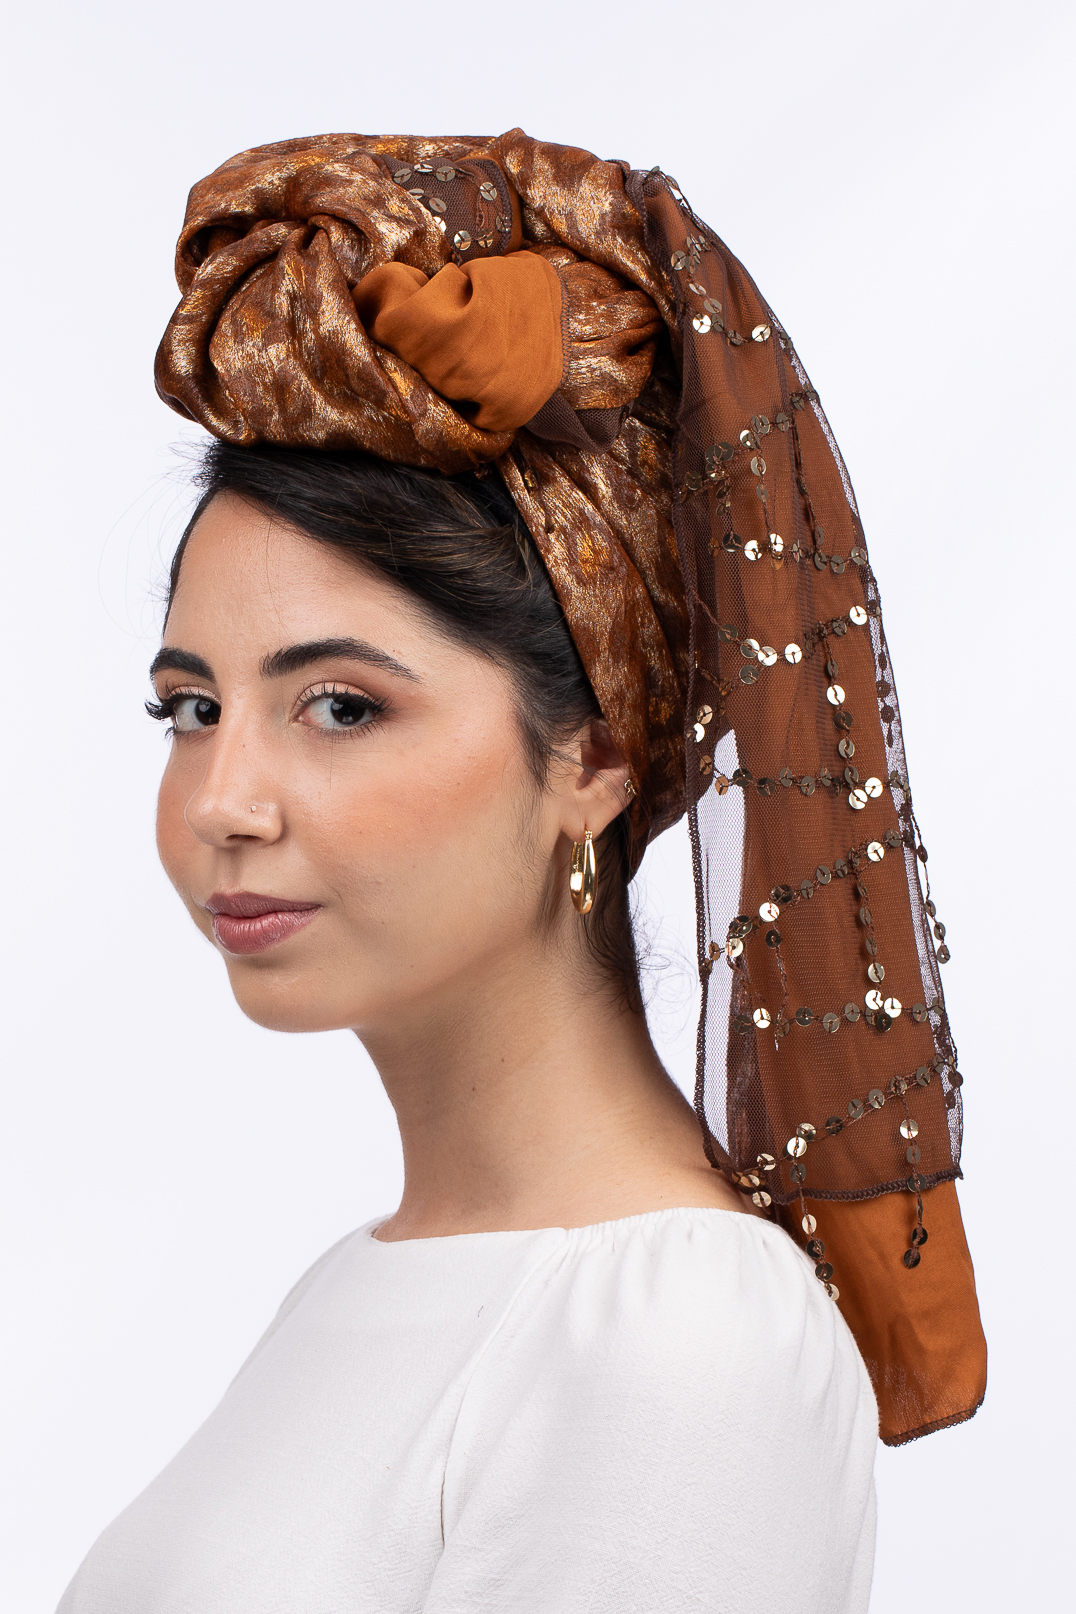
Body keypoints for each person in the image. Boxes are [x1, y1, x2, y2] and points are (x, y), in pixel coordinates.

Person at [56, 129, 985, 1613]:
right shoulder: (361, 1286)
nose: (222, 800)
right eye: (191, 708)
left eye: (341, 706)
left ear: (595, 755)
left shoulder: (675, 1337)